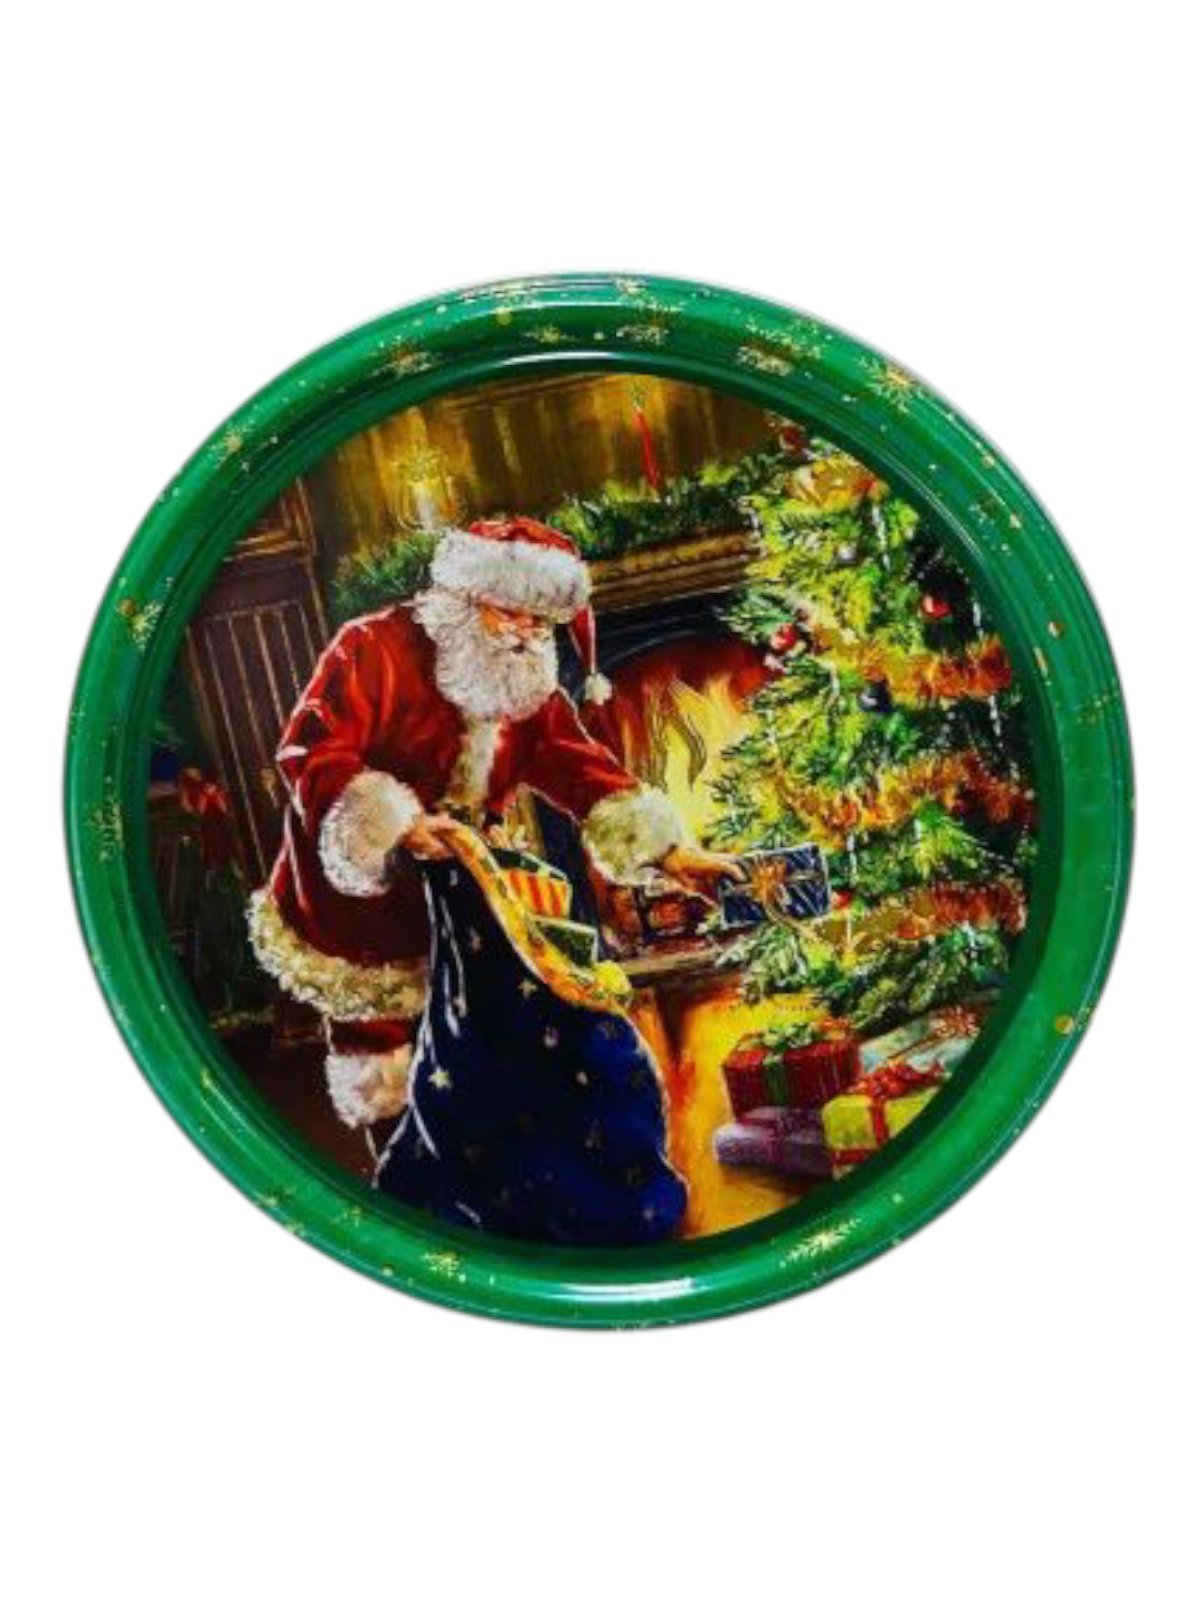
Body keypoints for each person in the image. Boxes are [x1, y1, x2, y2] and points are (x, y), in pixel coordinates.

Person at [248, 514, 739, 1131]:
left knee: (494, 1046)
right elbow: (313, 750)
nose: (525, 635)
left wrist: (671, 853)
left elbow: (574, 762)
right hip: (362, 891)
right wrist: (396, 826)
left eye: (540, 622)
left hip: (471, 879)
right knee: (383, 1060)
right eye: (509, 613)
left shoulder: (525, 673)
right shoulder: (371, 646)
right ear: (463, 597)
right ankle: (403, 1162)